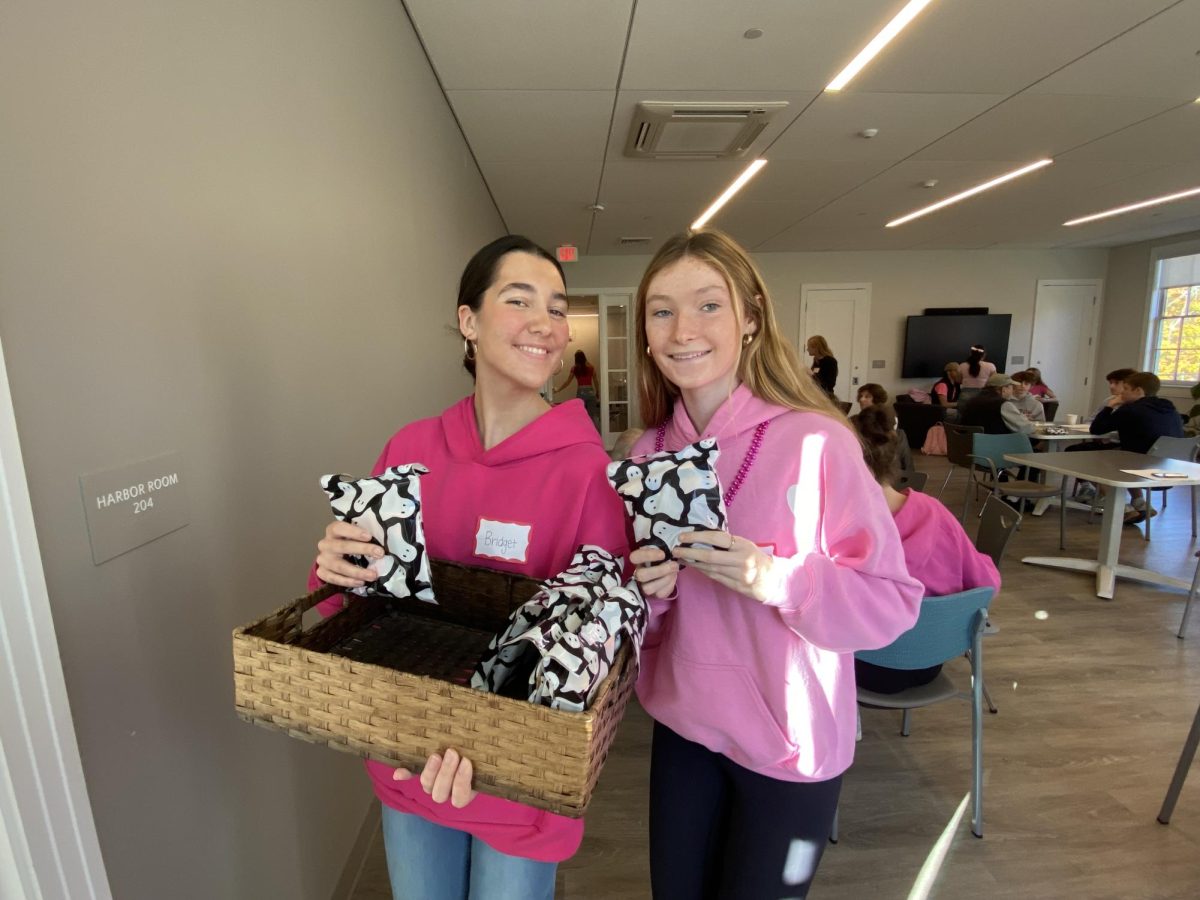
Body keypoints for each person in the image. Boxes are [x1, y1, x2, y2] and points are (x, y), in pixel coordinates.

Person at [312, 235, 629, 900]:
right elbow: (356, 609)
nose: (545, 322)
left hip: (519, 781)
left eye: (555, 306)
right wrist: (334, 570)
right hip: (407, 753)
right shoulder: (412, 448)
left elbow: (599, 653)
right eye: (519, 301)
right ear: (468, 321)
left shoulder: (588, 474)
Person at [627, 230, 922, 899]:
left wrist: (780, 580)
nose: (683, 331)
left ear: (751, 318)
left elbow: (891, 602)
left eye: (708, 305)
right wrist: (654, 591)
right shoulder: (645, 454)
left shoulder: (817, 443)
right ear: (645, 331)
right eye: (662, 310)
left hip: (791, 744)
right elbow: (641, 624)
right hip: (685, 727)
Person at [850, 406, 1000, 693]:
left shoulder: (842, 527)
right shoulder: (935, 511)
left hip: (863, 665)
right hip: (931, 661)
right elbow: (986, 584)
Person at [1089, 371, 1184, 523]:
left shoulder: (1131, 410)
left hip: (1141, 467)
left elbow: (1096, 429)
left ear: (1138, 391)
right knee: (1126, 456)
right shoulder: (1170, 409)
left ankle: (1121, 507)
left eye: (1126, 389)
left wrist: (1110, 406)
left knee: (1087, 457)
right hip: (1170, 468)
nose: (1122, 392)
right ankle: (1140, 504)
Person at [958, 373, 1034, 435]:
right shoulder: (1003, 404)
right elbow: (1025, 428)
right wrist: (1023, 419)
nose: (1012, 391)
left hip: (968, 445)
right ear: (1004, 389)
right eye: (1012, 387)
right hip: (994, 447)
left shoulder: (972, 401)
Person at [555, 349, 601, 431]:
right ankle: (597, 433)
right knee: (593, 415)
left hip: (581, 392)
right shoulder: (591, 368)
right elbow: (596, 381)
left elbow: (567, 382)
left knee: (581, 415)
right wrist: (598, 392)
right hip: (591, 392)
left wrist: (558, 389)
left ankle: (583, 432)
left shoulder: (575, 369)